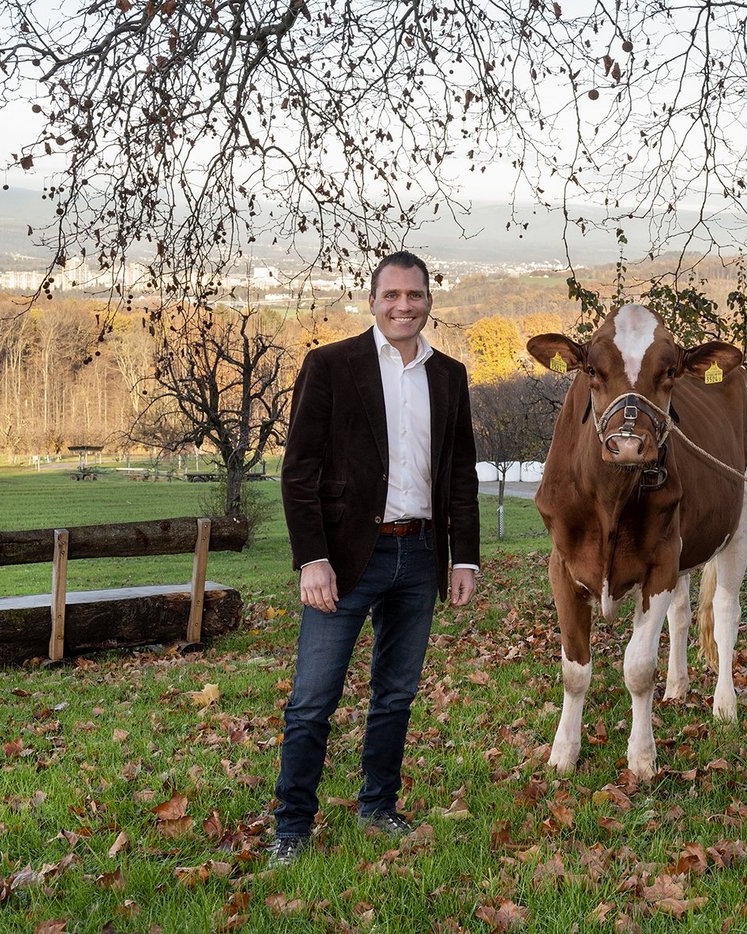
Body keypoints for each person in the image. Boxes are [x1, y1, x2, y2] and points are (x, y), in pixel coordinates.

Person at [268, 250, 481, 865]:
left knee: (394, 696)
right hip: (343, 559)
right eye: (392, 296)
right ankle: (292, 827)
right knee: (313, 700)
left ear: (429, 302)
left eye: (414, 296)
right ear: (373, 300)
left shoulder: (450, 375)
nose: (403, 306)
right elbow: (298, 472)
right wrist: (312, 559)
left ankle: (378, 806)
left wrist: (462, 557)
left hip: (418, 555)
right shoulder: (332, 365)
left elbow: (459, 476)